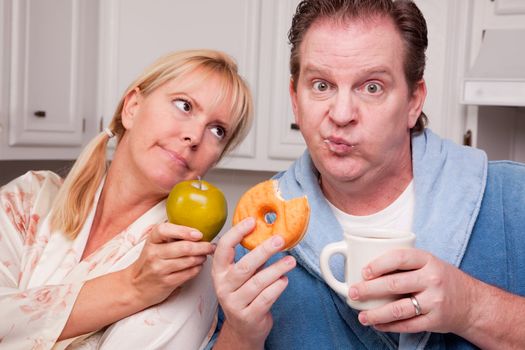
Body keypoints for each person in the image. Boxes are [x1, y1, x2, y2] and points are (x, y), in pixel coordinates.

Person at [208, 0, 525, 349]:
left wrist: (472, 307)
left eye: (371, 87)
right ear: (295, 100)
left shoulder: (514, 200)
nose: (341, 114)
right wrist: (240, 333)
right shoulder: (253, 244)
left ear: (413, 102)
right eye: (321, 85)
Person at [0, 49, 253, 349]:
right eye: (184, 105)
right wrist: (133, 286)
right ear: (132, 107)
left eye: (217, 130)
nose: (195, 136)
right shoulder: (29, 197)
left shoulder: (182, 261)